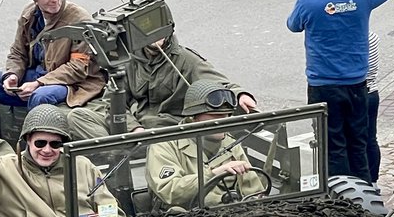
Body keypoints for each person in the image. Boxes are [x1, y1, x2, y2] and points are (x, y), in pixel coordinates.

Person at [287, 0, 394, 180]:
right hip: (357, 85)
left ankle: (341, 198)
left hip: (323, 86)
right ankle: (365, 194)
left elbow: (293, 25)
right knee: (358, 142)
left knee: (332, 145)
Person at [0, 0, 105, 142]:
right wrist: (12, 75)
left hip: (72, 83)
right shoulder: (29, 15)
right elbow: (18, 52)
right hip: (37, 75)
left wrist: (38, 83)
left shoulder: (78, 19)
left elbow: (78, 68)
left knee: (40, 96)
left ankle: (29, 153)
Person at [68, 20, 257, 140]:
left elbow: (217, 83)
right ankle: (119, 151)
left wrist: (241, 94)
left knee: (154, 129)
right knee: (77, 117)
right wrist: (133, 129)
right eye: (148, 32)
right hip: (134, 126)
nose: (155, 38)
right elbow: (112, 101)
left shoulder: (184, 59)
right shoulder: (129, 60)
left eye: (160, 31)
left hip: (165, 129)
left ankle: (125, 150)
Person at [147, 81, 266, 209]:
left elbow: (253, 190)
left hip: (231, 216)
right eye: (215, 117)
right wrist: (213, 174)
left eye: (226, 116)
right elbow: (170, 191)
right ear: (193, 117)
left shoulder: (230, 143)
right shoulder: (164, 146)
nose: (222, 123)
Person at [365, 30, 381, 184]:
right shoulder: (373, 37)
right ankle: (373, 181)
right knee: (371, 138)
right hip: (372, 92)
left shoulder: (352, 38)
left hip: (358, 93)